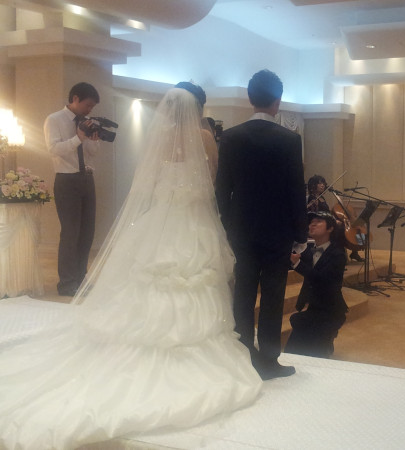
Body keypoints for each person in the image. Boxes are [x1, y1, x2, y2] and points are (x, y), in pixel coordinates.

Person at [0, 86, 262, 449]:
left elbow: (147, 183)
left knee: (152, 275)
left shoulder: (161, 137)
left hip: (162, 215)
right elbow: (213, 178)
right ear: (197, 108)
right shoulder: (204, 137)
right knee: (193, 275)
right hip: (192, 218)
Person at [216, 69, 308, 380]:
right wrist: (301, 233)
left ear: (249, 98)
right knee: (273, 295)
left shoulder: (231, 137)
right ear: (277, 101)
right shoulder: (290, 139)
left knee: (243, 292)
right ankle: (268, 361)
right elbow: (296, 189)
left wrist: (227, 226)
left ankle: (242, 356)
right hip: (278, 231)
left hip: (241, 230)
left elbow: (222, 189)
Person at [44, 82, 100, 296]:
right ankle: (67, 283)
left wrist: (92, 139)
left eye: (92, 107)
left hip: (87, 178)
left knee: (87, 232)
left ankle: (80, 278)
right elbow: (54, 149)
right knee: (70, 233)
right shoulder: (54, 119)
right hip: (67, 180)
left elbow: (92, 153)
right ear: (75, 98)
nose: (89, 110)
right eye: (88, 105)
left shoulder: (85, 121)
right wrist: (78, 137)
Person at [285, 211, 348, 358]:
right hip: (313, 307)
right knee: (293, 350)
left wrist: (298, 264)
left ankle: (325, 344)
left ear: (330, 228)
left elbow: (323, 280)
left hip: (331, 310)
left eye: (318, 221)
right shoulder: (308, 251)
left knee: (313, 353)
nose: (312, 224)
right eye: (311, 222)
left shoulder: (338, 254)